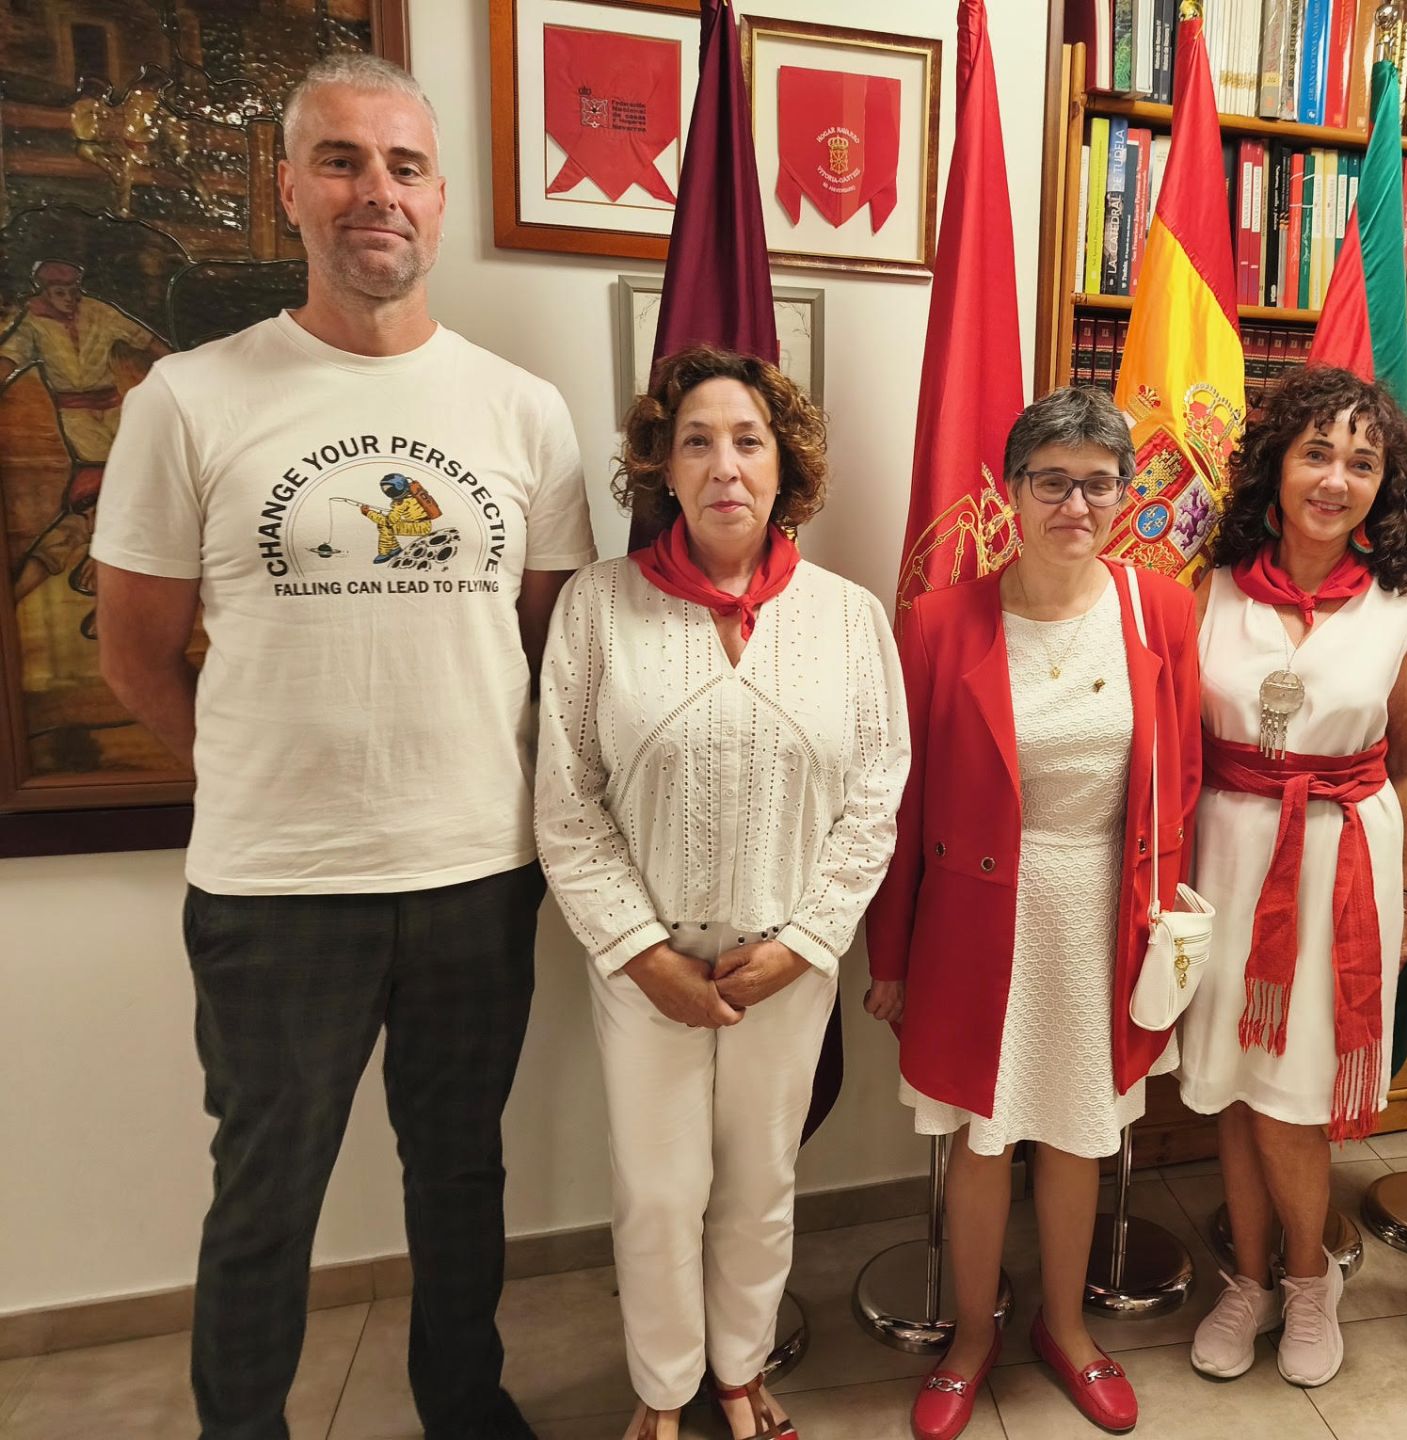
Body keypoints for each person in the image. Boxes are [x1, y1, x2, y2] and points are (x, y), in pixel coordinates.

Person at [91, 55, 594, 1440]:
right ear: (290, 193)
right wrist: (259, 775)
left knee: (460, 1176)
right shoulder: (188, 399)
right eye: (343, 161)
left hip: (476, 875)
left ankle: (465, 1407)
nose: (377, 190)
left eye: (406, 165)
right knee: (268, 1193)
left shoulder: (524, 411)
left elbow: (550, 650)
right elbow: (131, 652)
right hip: (273, 888)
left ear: (437, 201)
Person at [535, 343, 910, 1440]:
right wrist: (642, 955)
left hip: (783, 965)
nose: (724, 464)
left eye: (748, 439)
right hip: (644, 967)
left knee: (758, 1184)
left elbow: (876, 793)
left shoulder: (847, 618)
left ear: (785, 464)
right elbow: (566, 798)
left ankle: (740, 1377)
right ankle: (661, 1394)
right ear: (662, 463)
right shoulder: (601, 607)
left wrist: (805, 941)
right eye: (696, 440)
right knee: (656, 1192)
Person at [865, 385, 1201, 1440]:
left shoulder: (1163, 611)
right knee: (982, 1138)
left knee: (1075, 1135)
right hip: (974, 918)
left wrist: (1171, 932)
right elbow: (902, 805)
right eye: (1050, 481)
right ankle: (972, 1336)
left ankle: (1066, 1327)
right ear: (1010, 494)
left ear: (1125, 496)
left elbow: (1178, 781)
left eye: (1097, 483)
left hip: (1105, 912)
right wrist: (893, 956)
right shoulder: (937, 622)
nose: (1074, 503)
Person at [1179, 365, 1407, 1388]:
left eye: (1363, 462)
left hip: (1343, 859)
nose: (1337, 479)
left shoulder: (1403, 601)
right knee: (1236, 1089)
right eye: (1317, 453)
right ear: (1278, 467)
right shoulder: (1213, 585)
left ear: (1385, 484)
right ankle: (1245, 1278)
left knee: (1291, 1093)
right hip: (1228, 854)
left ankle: (1308, 1276)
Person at [0, 257, 170, 627]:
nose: (69, 299)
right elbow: (10, 357)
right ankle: (102, 583)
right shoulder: (33, 323)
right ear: (44, 292)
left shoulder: (99, 312)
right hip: (76, 417)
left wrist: (185, 368)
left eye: (74, 291)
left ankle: (107, 589)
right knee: (105, 490)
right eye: (61, 293)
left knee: (127, 490)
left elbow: (147, 341)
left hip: (115, 408)